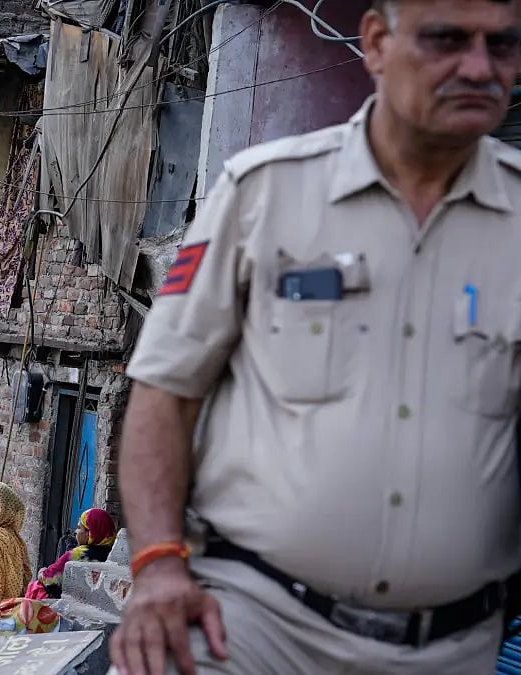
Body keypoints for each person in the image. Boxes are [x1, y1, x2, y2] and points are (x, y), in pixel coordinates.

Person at [111, 2, 521, 674]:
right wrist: (157, 565)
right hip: (255, 626)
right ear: (378, 43)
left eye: (502, 45)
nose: (479, 67)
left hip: (455, 644)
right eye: (447, 39)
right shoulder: (264, 193)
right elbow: (165, 388)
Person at [26, 508, 117, 600]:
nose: (75, 532)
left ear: (89, 534)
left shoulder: (79, 554)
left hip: (68, 604)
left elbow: (49, 579)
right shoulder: (114, 555)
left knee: (36, 586)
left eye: (79, 528)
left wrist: (42, 571)